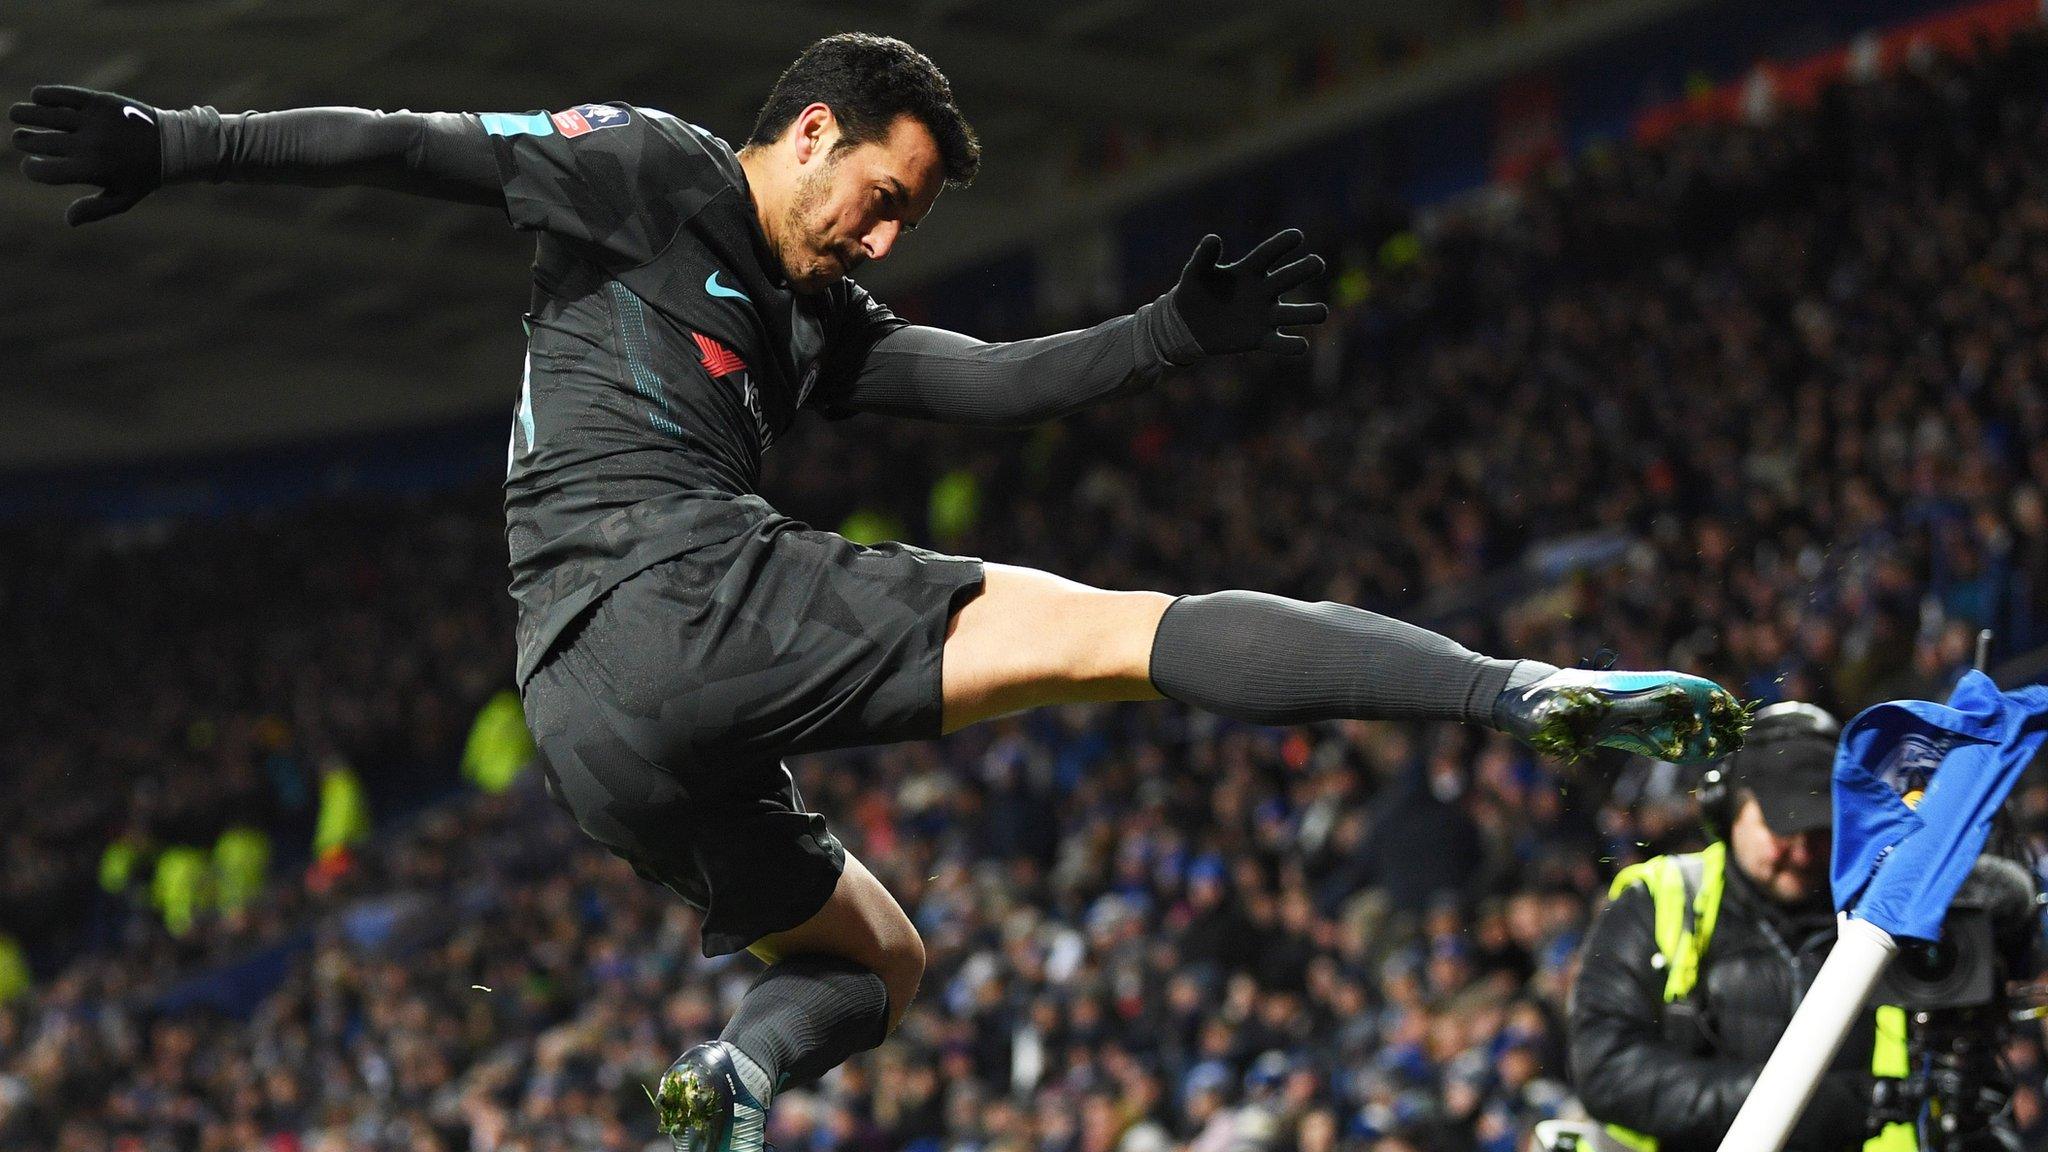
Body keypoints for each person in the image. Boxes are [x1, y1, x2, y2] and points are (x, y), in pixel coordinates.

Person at [12, 34, 1747, 1152]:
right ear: (815, 128)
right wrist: (181, 137)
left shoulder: (806, 313)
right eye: (884, 197)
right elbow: (408, 145)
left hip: (586, 723)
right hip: (678, 589)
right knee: (1121, 633)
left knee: (874, 957)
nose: (884, 237)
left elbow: (975, 382)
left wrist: (1161, 337)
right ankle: (1509, 691)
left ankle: (733, 1086)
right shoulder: (648, 164)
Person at [1568, 702, 2020, 1152]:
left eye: (1820, 831)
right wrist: (1830, 1106)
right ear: (1725, 809)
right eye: (1784, 830)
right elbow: (1609, 1074)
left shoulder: (1896, 910)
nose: (1803, 854)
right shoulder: (1655, 900)